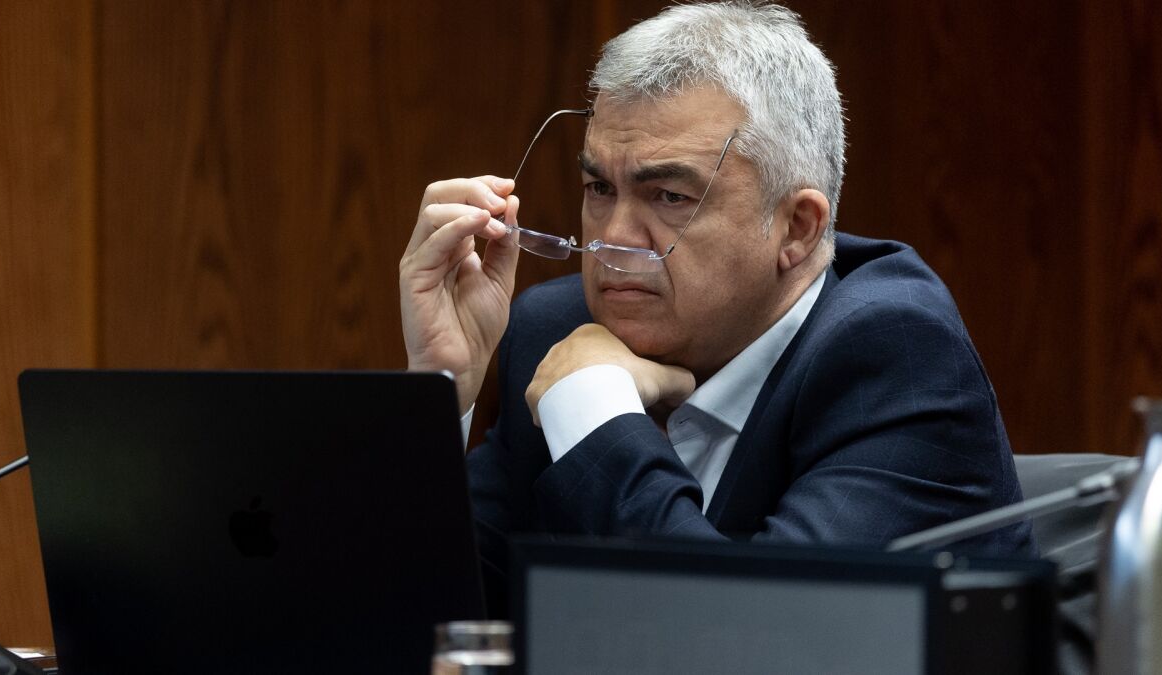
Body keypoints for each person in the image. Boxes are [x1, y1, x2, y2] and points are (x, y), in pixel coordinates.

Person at [399, 1, 1033, 611]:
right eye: (599, 187)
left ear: (797, 228)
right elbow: (422, 626)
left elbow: (746, 641)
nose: (613, 238)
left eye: (670, 196)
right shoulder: (558, 332)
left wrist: (593, 412)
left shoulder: (897, 359)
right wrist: (440, 391)